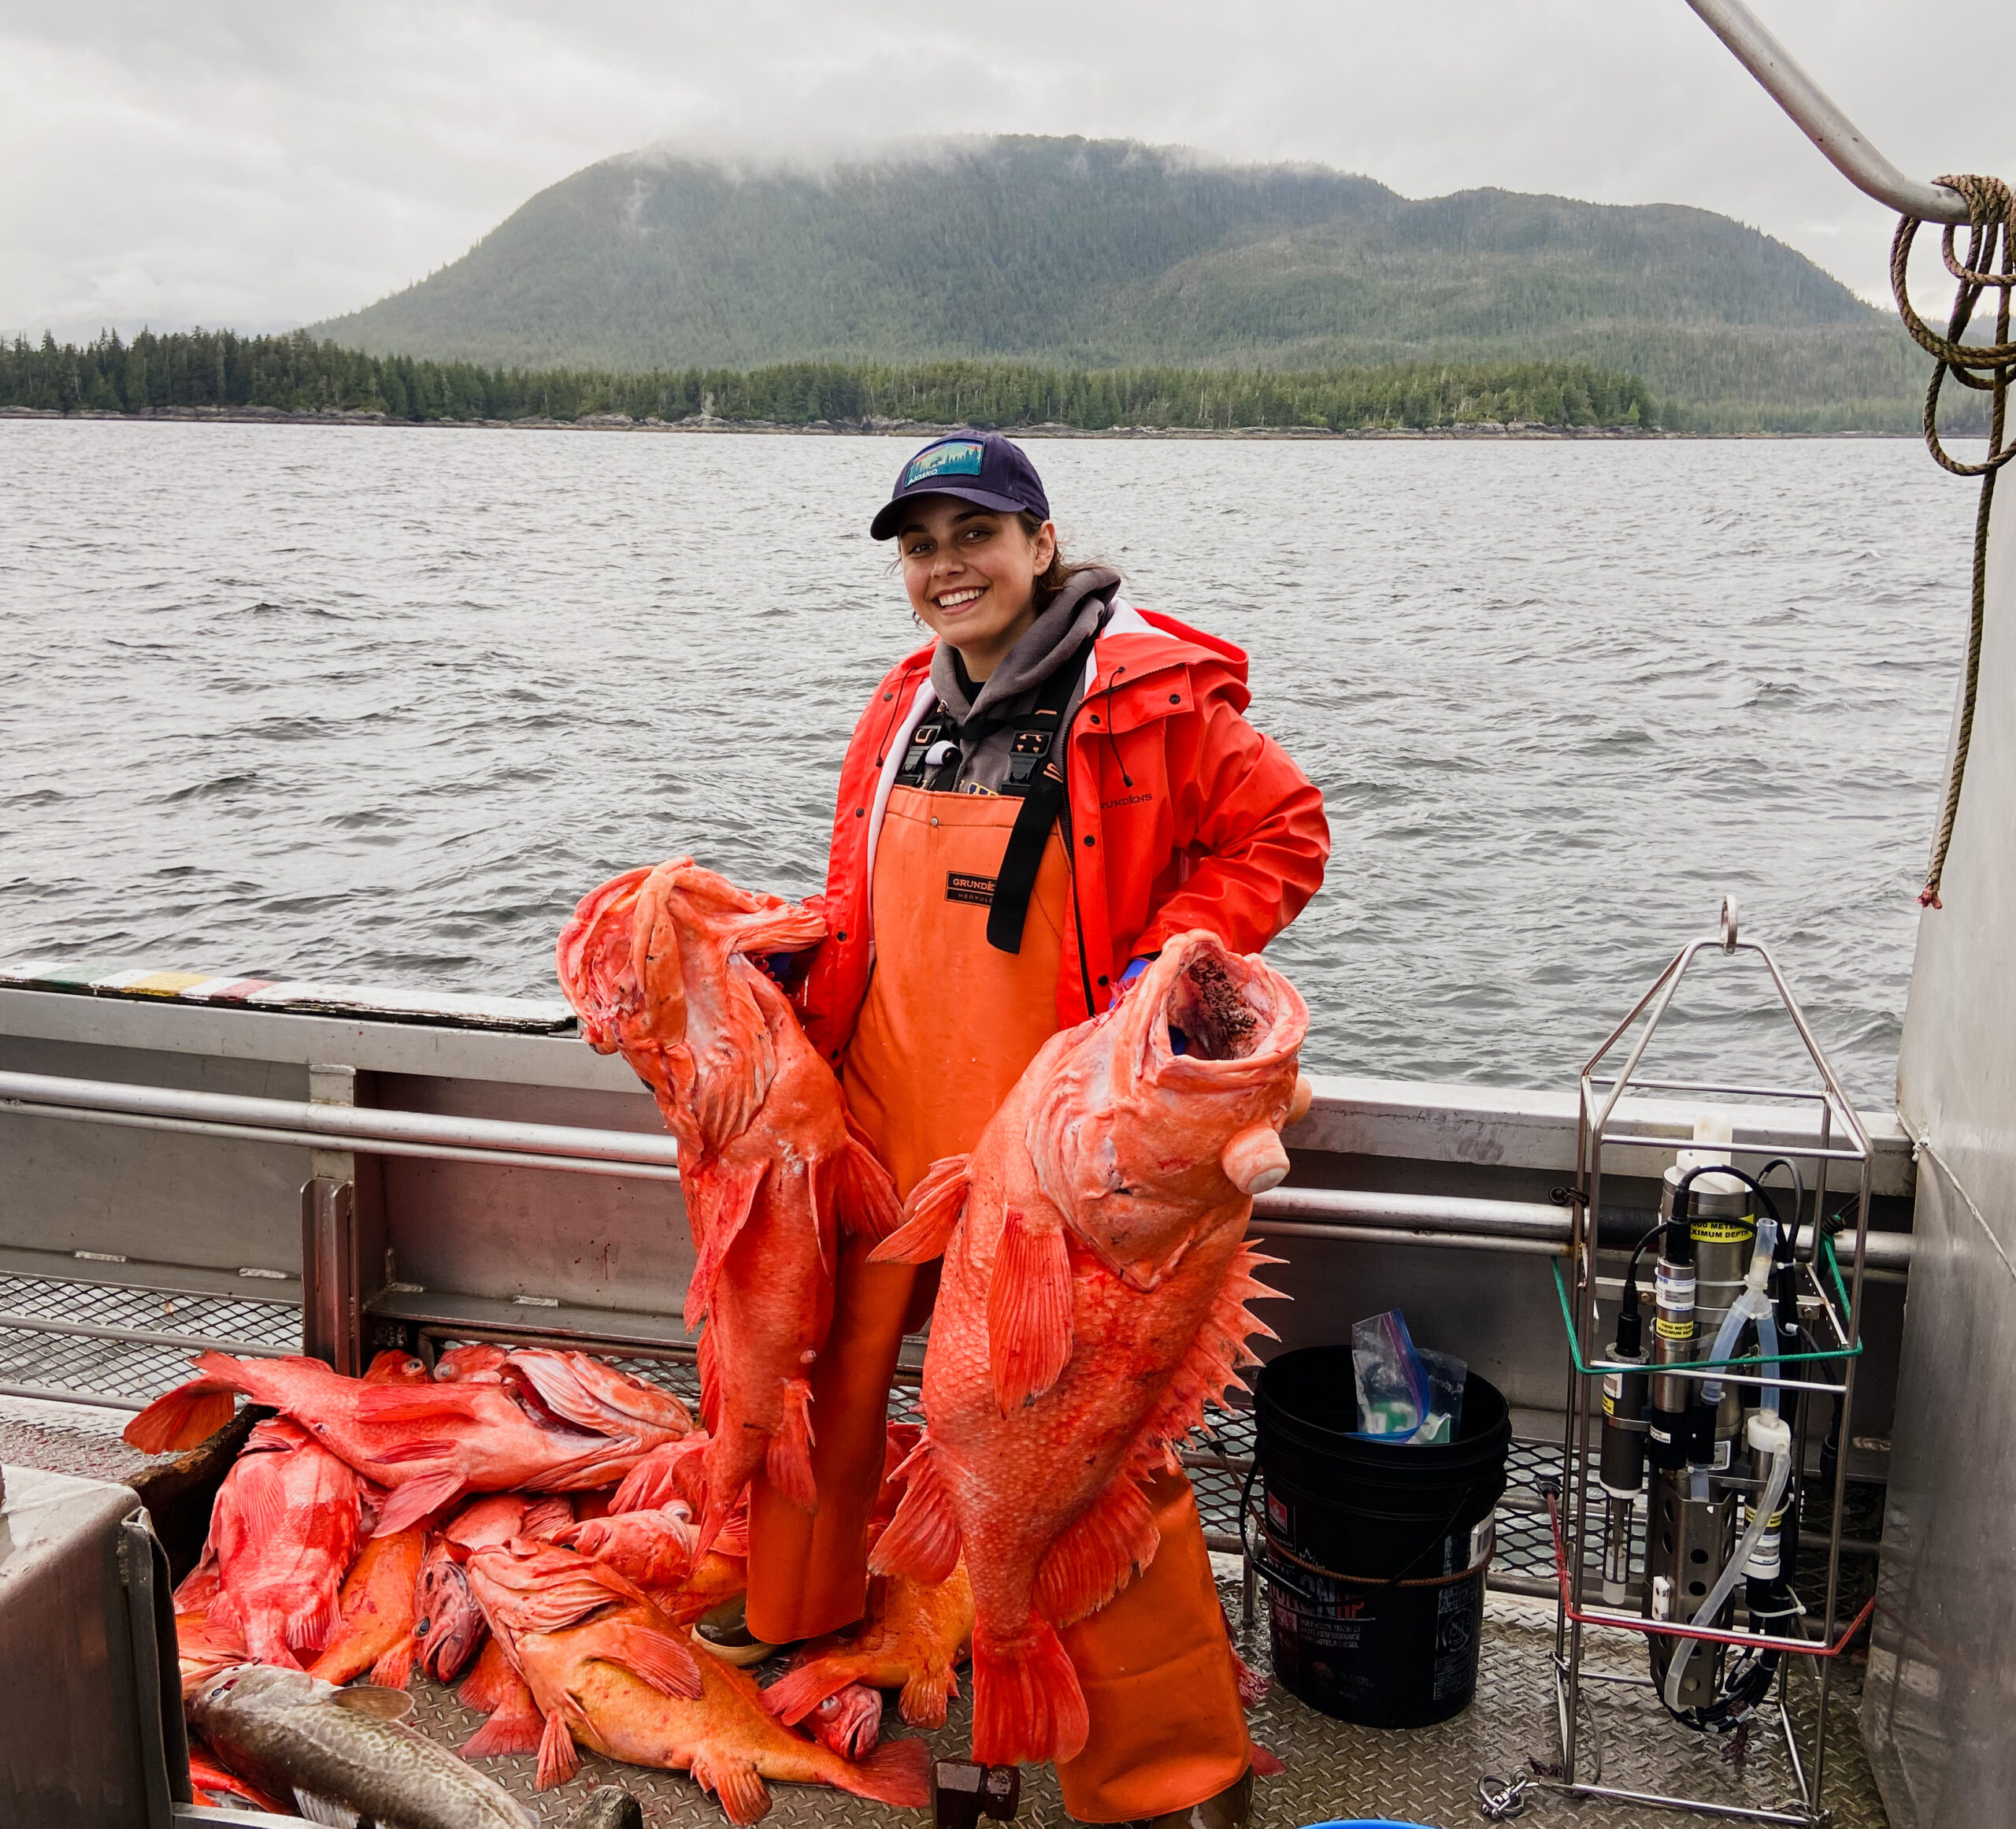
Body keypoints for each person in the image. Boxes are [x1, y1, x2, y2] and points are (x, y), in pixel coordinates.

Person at [748, 432, 1329, 1827]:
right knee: (819, 1384)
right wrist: (785, 968)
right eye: (921, 544)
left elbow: (1286, 834)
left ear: (1042, 543)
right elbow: (865, 913)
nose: (948, 566)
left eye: (977, 535)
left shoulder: (1157, 698)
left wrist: (1170, 956)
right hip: (890, 1114)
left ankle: (1165, 1766)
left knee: (1102, 1442)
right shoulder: (900, 706)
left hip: (1065, 1158)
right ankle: (804, 1618)